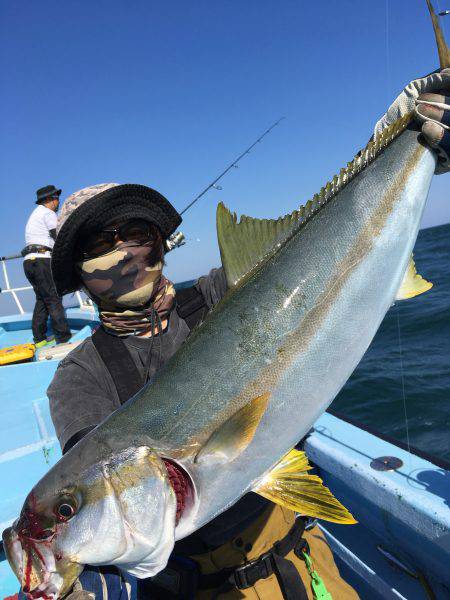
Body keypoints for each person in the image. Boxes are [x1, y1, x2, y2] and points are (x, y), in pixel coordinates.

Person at [44, 70, 449, 600]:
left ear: (161, 243)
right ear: (77, 271)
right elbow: (93, 487)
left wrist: (406, 130)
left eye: (136, 232)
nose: (123, 253)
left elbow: (325, 239)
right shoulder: (79, 376)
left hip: (302, 558)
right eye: (99, 243)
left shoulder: (224, 292)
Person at [22, 185, 71, 347]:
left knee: (42, 299)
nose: (58, 201)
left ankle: (40, 338)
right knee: (53, 297)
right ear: (49, 199)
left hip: (29, 262)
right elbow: (58, 236)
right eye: (56, 197)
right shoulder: (48, 213)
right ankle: (63, 338)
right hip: (42, 260)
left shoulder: (35, 215)